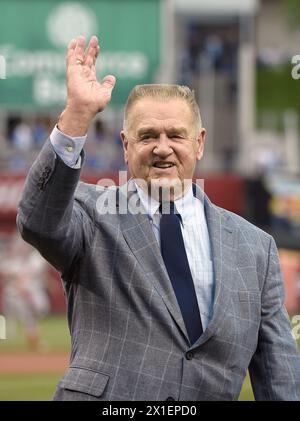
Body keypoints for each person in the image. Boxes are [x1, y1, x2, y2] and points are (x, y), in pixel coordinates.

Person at [17, 35, 300, 401]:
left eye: (176, 135)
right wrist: (77, 116)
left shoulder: (257, 248)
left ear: (199, 142)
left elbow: (280, 374)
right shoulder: (89, 211)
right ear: (126, 144)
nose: (162, 148)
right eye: (147, 135)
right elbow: (37, 221)